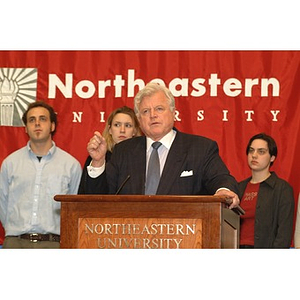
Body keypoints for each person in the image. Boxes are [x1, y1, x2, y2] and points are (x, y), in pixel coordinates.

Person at [83, 82, 240, 208]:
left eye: (159, 109)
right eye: (145, 111)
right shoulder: (124, 151)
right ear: (139, 119)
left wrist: (224, 191)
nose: (153, 115)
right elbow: (99, 200)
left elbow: (221, 178)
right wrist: (98, 162)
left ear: (173, 112)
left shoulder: (200, 148)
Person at [0, 101, 82, 248]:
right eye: (32, 120)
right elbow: (2, 204)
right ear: (25, 128)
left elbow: (74, 210)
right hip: (15, 243)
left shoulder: (71, 165)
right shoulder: (10, 163)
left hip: (54, 245)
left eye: (42, 119)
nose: (37, 123)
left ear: (52, 126)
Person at [238, 133, 294, 248]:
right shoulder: (238, 188)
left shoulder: (282, 189)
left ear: (272, 157)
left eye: (261, 152)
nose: (254, 155)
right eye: (251, 151)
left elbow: (284, 234)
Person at [78, 106, 142, 194]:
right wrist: (98, 163)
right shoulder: (98, 157)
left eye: (127, 125)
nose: (122, 130)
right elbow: (86, 195)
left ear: (134, 131)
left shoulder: (142, 158)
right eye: (117, 125)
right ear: (110, 130)